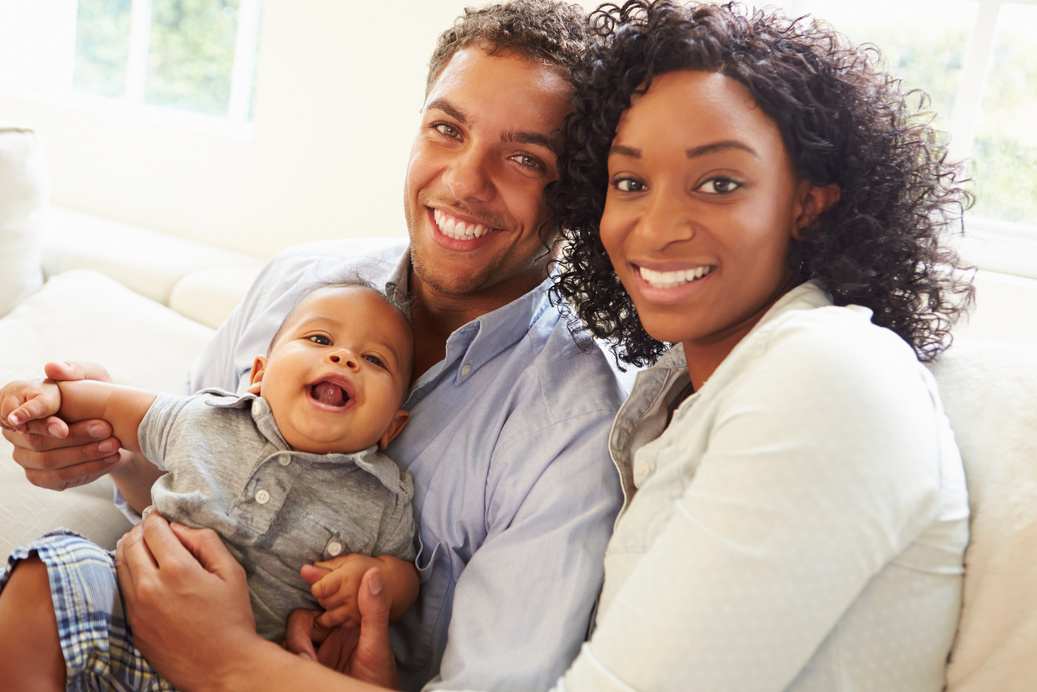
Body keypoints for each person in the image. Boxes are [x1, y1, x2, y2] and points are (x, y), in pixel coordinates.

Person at [100, 1, 977, 690]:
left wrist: (228, 665)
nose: (657, 224)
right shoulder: (683, 404)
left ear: (809, 201)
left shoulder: (823, 375)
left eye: (717, 180)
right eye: (630, 180)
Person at [2, 2, 625, 690]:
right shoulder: (296, 282)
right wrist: (111, 454)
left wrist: (228, 662)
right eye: (446, 129)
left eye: (523, 158)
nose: (463, 181)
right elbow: (181, 484)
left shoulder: (574, 426)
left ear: (579, 192)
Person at [0, 280, 421, 690]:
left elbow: (405, 581)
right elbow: (111, 404)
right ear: (259, 374)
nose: (345, 358)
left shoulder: (384, 497)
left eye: (375, 359)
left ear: (393, 427)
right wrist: (51, 399)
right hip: (122, 614)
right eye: (320, 338)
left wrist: (380, 577)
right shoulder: (207, 418)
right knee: (48, 572)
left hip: (252, 671)